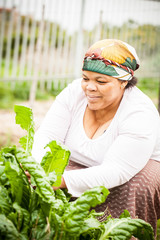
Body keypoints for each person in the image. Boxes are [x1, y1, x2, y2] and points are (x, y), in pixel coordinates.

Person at [32, 39, 160, 236]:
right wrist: (40, 171)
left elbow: (117, 170)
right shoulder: (74, 93)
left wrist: (62, 180)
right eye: (85, 78)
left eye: (101, 81)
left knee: (139, 184)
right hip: (82, 162)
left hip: (134, 169)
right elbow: (47, 135)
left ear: (123, 82)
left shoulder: (139, 112)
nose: (89, 87)